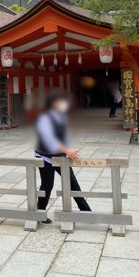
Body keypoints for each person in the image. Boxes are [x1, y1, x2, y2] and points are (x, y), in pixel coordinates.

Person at [35, 90, 91, 223]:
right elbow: (49, 139)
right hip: (44, 156)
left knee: (72, 183)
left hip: (60, 156)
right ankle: (39, 213)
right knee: (47, 185)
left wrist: (67, 150)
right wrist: (67, 149)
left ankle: (86, 212)